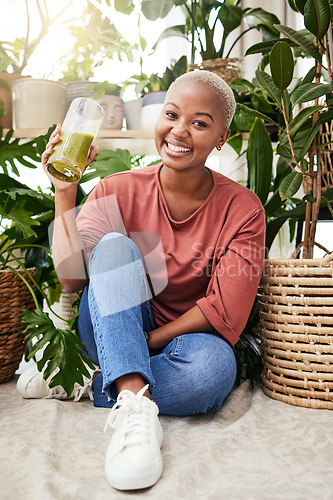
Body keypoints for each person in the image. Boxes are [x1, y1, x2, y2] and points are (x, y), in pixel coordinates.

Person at [17, 70, 266, 491]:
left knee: (213, 370)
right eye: (171, 114)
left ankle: (91, 383)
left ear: (222, 137)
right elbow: (73, 279)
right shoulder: (117, 189)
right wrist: (65, 192)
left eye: (200, 122)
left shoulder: (243, 209)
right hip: (109, 326)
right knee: (114, 246)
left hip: (180, 342)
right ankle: (134, 409)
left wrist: (141, 344)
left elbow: (225, 310)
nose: (179, 130)